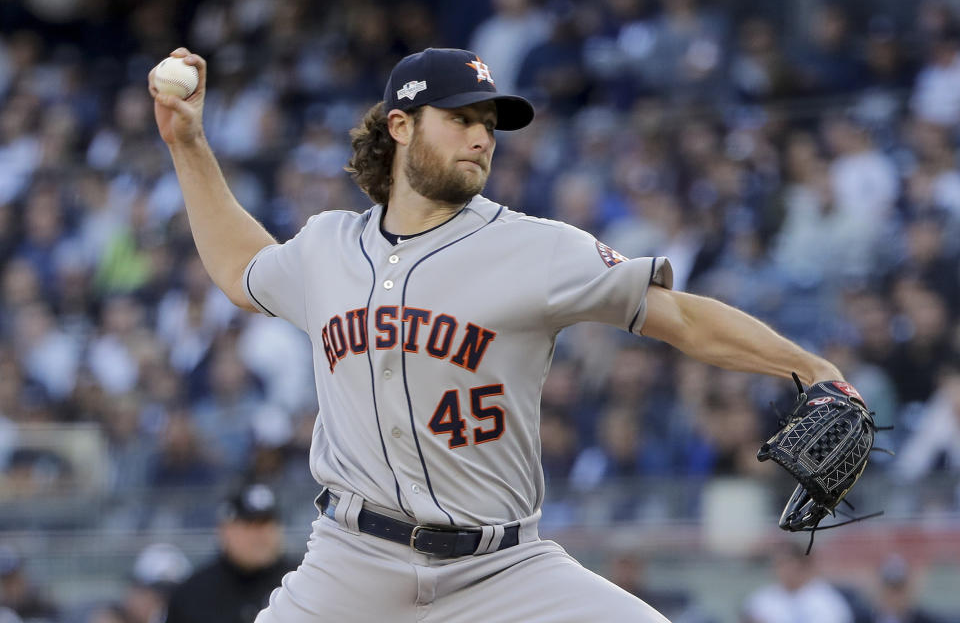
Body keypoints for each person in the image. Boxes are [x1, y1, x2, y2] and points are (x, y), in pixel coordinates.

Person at [150, 45, 851, 622]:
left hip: (503, 571)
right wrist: (188, 143)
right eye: (459, 117)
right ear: (400, 126)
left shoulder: (538, 249)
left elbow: (680, 316)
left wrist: (806, 365)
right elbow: (241, 265)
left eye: (489, 121)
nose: (482, 135)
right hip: (351, 567)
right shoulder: (326, 247)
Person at [164, 484, 296, 623]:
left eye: (267, 524)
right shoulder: (192, 594)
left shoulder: (300, 583)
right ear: (225, 530)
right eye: (249, 525)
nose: (260, 535)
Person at [741, 544, 854, 623]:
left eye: (786, 563)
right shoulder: (763, 597)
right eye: (778, 564)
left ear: (803, 565)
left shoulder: (827, 600)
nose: (781, 570)